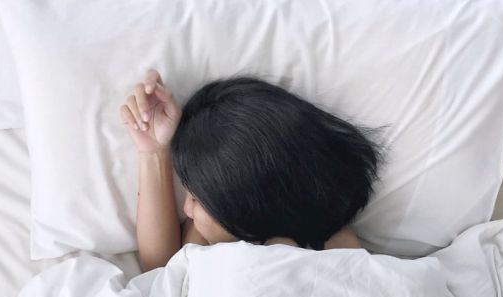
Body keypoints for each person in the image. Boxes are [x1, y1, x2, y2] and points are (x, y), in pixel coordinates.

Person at [120, 69, 381, 272]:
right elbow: (159, 280)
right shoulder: (202, 237)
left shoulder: (334, 245)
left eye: (196, 199)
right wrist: (153, 152)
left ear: (247, 203)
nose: (186, 210)